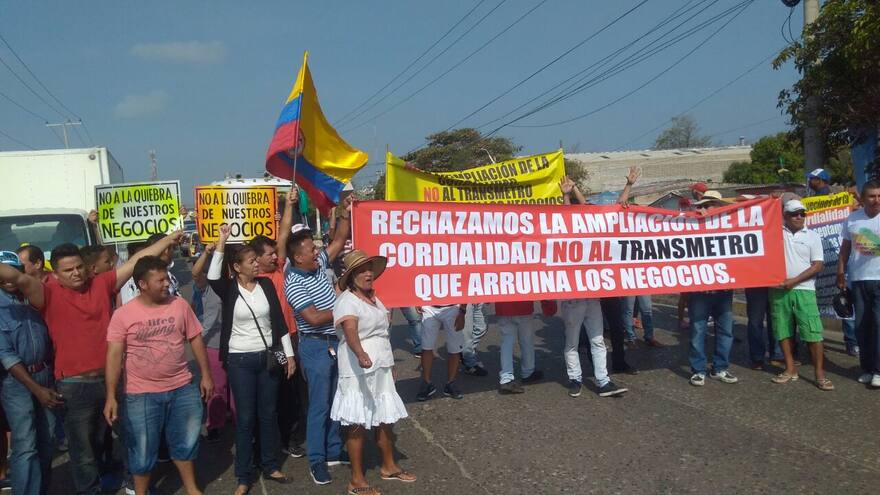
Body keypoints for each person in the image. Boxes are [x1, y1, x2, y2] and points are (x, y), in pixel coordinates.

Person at [0, 234, 183, 495]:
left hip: (113, 378)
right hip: (74, 386)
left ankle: (135, 485)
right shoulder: (47, 293)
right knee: (83, 450)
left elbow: (137, 260)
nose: (76, 273)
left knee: (133, 435)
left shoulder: (102, 283)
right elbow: (14, 276)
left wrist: (170, 239)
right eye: (68, 270)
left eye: (79, 267)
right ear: (55, 274)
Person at [103, 256, 214, 495]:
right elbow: (114, 356)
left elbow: (195, 339)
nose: (167, 284)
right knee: (142, 450)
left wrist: (206, 375)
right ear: (142, 284)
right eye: (160, 280)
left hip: (182, 388)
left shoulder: (179, 305)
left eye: (167, 279)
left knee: (186, 442)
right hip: (141, 394)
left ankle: (192, 488)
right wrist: (111, 396)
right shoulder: (123, 315)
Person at [207, 226, 295, 495]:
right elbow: (212, 276)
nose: (257, 264)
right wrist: (221, 241)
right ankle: (243, 475)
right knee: (245, 419)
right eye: (251, 261)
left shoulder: (266, 285)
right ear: (237, 267)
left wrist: (289, 355)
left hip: (267, 357)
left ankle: (270, 465)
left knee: (268, 415)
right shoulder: (229, 289)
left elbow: (278, 322)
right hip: (240, 361)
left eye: (257, 260)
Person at [330, 250, 414, 494]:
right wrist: (360, 353)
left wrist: (390, 365)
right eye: (361, 271)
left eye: (369, 270)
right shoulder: (347, 300)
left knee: (385, 418)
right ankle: (356, 480)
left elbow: (384, 334)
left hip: (381, 365)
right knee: (356, 423)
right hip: (358, 367)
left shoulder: (375, 299)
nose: (368, 274)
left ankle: (389, 466)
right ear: (351, 276)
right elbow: (350, 331)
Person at [284, 195, 353, 485]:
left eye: (315, 248)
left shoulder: (316, 265)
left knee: (338, 398)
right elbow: (312, 318)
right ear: (298, 257)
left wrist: (346, 213)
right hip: (314, 345)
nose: (318, 252)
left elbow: (338, 241)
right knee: (319, 404)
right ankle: (316, 459)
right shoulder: (293, 282)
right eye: (312, 250)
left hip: (334, 341)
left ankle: (334, 449)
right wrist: (344, 309)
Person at [251, 187, 306, 459]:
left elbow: (283, 234)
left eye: (275, 253)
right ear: (255, 260)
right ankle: (266, 443)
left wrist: (288, 205)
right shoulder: (251, 282)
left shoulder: (279, 269)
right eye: (269, 255)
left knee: (294, 391)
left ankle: (291, 438)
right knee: (272, 395)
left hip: (291, 337)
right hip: (269, 344)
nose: (275, 257)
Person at [0, 251, 59, 495]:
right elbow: (6, 356)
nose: (9, 280)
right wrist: (37, 389)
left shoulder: (35, 299)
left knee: (48, 440)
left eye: (14, 272)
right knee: (26, 444)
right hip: (16, 383)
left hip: (45, 374)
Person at [769, 200, 832, 390]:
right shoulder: (774, 233)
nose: (799, 217)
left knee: (813, 332)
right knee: (782, 330)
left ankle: (819, 374)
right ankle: (790, 369)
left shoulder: (813, 236)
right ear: (785, 216)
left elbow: (817, 265)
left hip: (805, 289)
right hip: (779, 290)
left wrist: (794, 281)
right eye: (794, 213)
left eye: (802, 213)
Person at [687, 193, 738, 387]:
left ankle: (720, 367)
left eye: (710, 205)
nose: (706, 209)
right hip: (700, 290)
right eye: (704, 205)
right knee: (697, 330)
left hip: (724, 289)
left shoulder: (730, 227)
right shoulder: (692, 227)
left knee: (725, 330)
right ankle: (698, 370)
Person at [838, 180, 880, 388]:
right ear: (863, 198)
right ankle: (867, 368)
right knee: (862, 326)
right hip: (859, 279)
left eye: (879, 196)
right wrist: (840, 272)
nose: (876, 200)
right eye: (872, 196)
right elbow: (845, 248)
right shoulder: (852, 219)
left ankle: (879, 371)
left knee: (879, 325)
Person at [190, 243, 229, 443]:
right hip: (212, 343)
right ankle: (214, 424)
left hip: (233, 342)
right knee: (218, 386)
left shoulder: (231, 282)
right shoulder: (206, 285)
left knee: (231, 385)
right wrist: (206, 253)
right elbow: (195, 273)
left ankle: (230, 417)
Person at [494, 300, 555, 394]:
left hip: (504, 307)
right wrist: (547, 304)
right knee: (527, 341)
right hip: (524, 306)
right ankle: (528, 372)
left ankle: (506, 378)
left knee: (507, 343)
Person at [416, 303, 466, 401]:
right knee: (426, 347)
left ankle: (450, 383)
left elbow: (465, 292)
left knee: (454, 349)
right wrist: (417, 301)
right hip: (429, 306)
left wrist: (462, 311)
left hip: (453, 307)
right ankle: (427, 383)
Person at [120, 233, 180, 305]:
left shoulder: (170, 276)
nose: (166, 283)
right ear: (166, 250)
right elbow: (130, 307)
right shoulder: (134, 279)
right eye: (172, 248)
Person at [461, 303, 489, 376]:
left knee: (482, 328)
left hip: (478, 299)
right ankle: (470, 364)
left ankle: (464, 352)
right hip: (464, 301)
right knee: (467, 333)